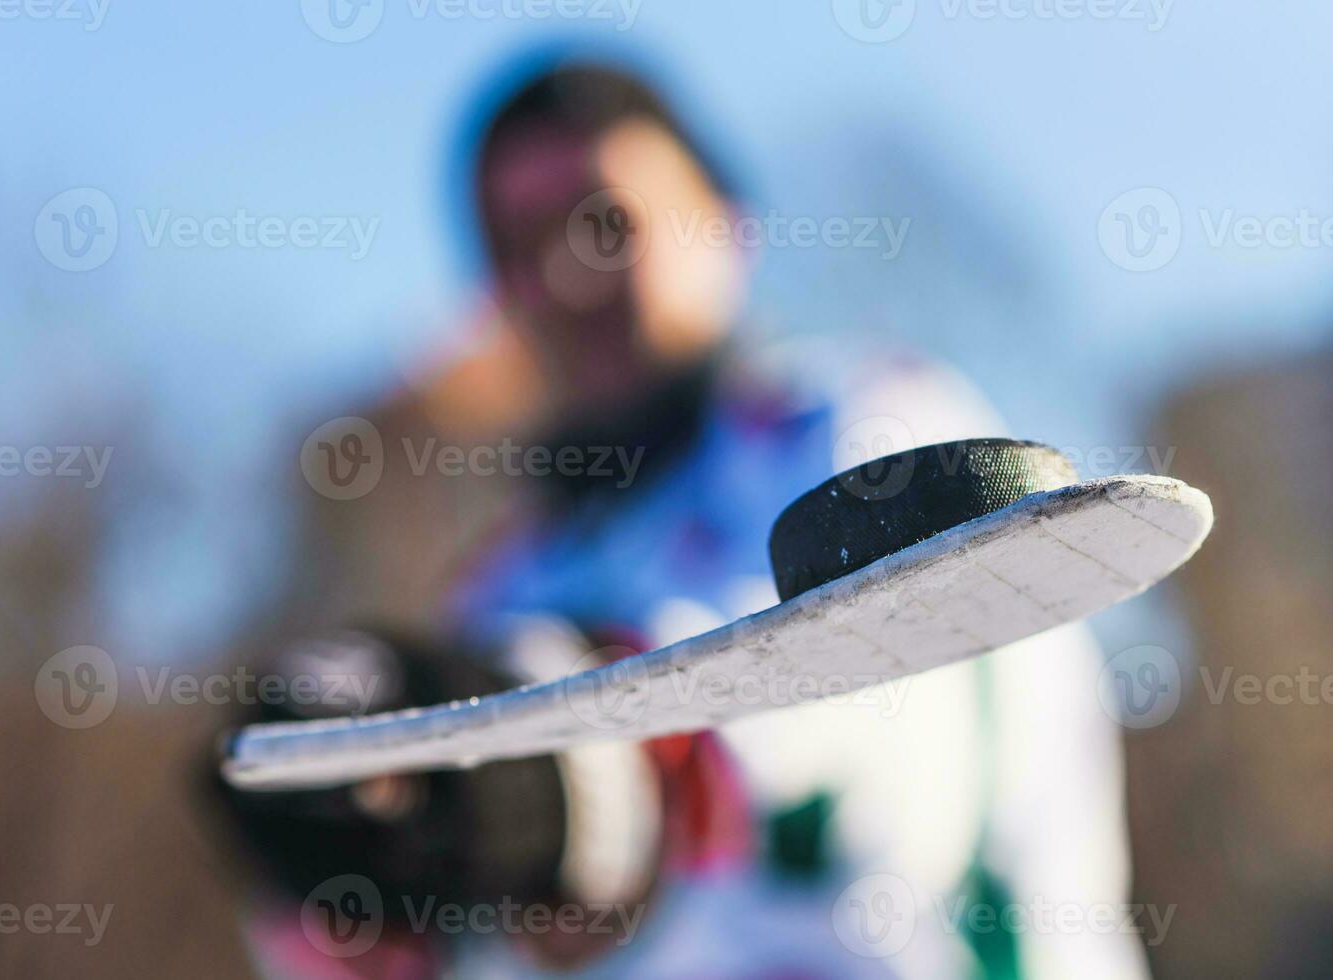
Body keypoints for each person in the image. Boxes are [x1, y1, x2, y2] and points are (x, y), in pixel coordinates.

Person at [223, 48, 1150, 979]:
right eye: (519, 248)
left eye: (604, 224)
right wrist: (355, 897)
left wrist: (594, 784)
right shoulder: (504, 592)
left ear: (725, 227)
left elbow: (857, 707)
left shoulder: (863, 424)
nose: (566, 277)